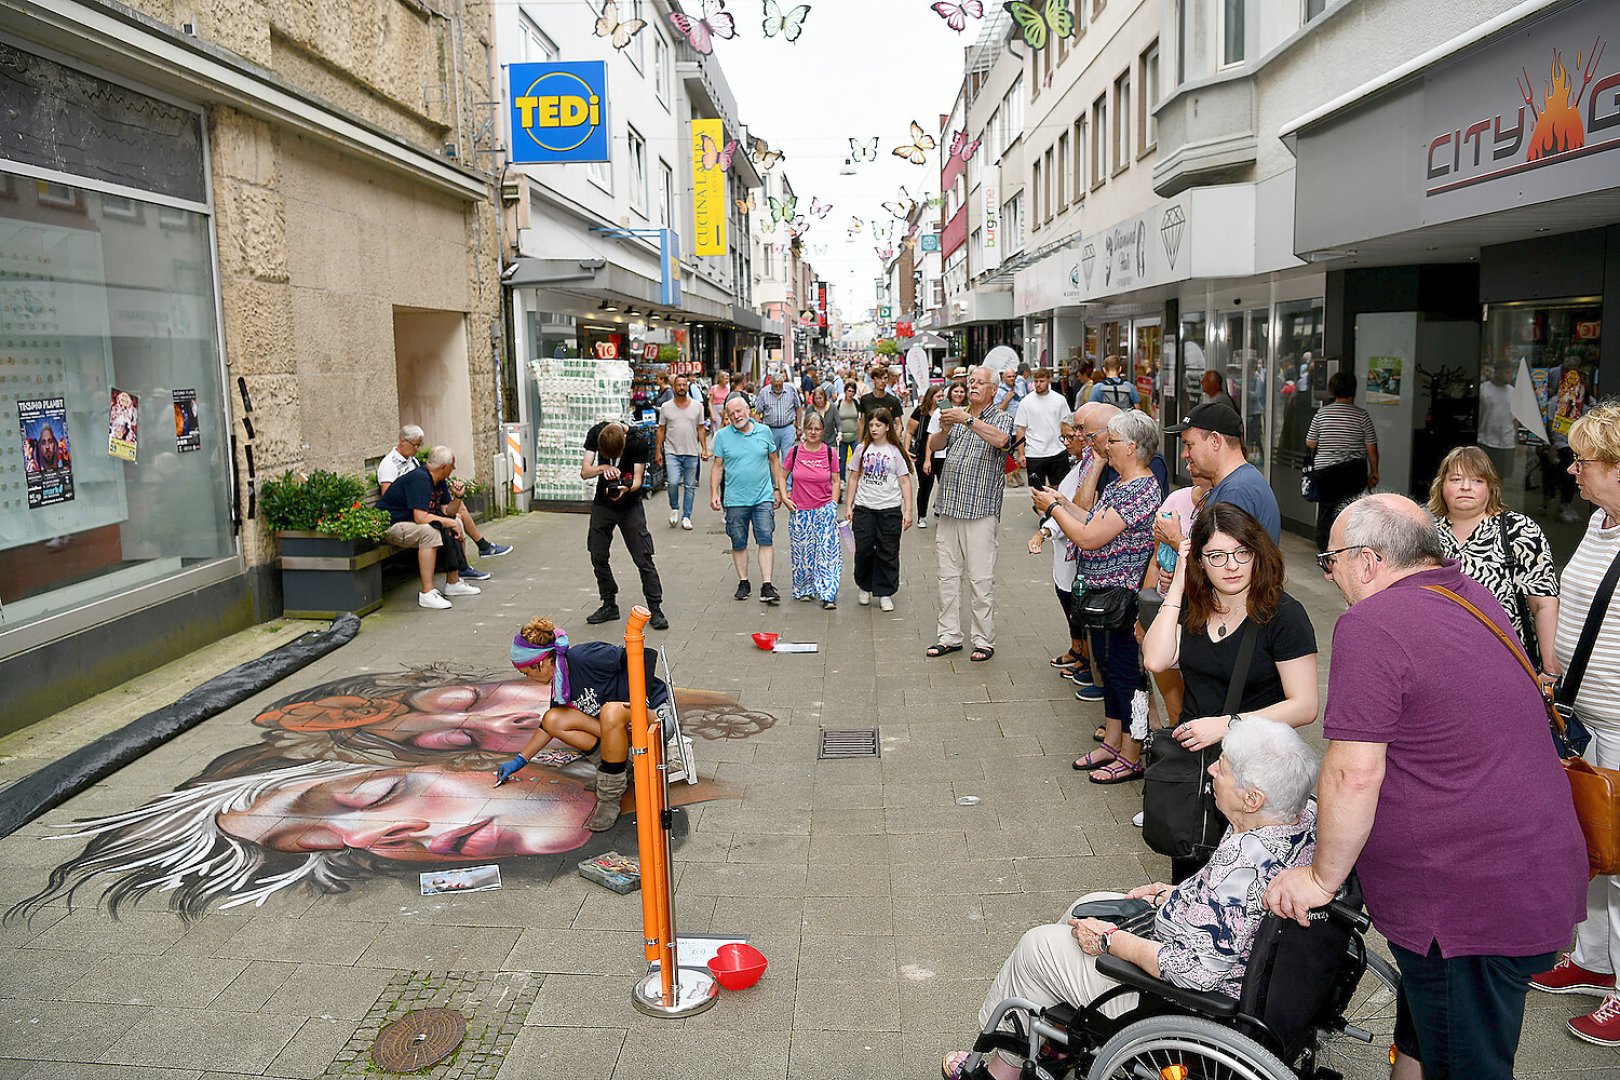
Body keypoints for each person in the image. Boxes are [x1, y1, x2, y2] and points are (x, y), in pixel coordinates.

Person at [1266, 493, 1588, 1080]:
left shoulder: (1373, 624)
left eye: (1331, 559)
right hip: (1525, 870)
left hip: (1467, 901)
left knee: (1465, 1065)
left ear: (1367, 561)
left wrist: (1319, 878)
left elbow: (1354, 771)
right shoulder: (1470, 595)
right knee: (1424, 1034)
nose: (1330, 572)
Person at [943, 719, 1320, 1080]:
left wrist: (1112, 941)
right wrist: (1174, 894)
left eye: (1225, 766)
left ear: (1253, 798)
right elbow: (1233, 911)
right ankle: (1052, 1039)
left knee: (1036, 948)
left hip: (1186, 1000)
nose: (1212, 770)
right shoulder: (1302, 819)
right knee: (1085, 905)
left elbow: (1197, 972)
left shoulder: (1240, 865)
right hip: (1255, 975)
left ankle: (1001, 1069)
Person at [1141, 503, 1320, 881]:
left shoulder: (1283, 615)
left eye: (1242, 553)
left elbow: (1305, 706)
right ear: (1200, 561)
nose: (1232, 566)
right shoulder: (1194, 608)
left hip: (1257, 775)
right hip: (1197, 771)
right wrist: (1178, 585)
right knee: (1191, 876)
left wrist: (1227, 725)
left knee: (1247, 883)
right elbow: (1156, 660)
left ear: (1257, 554)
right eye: (1217, 556)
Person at [1530, 401, 1620, 1045]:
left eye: (1584, 461)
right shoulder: (1600, 523)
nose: (1573, 470)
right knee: (1591, 845)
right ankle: (1592, 960)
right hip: (1588, 713)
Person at [1035, 410, 1162, 784]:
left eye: (1114, 440)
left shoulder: (1140, 489)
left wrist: (1054, 509)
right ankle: (1112, 740)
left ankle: (1133, 751)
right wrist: (1061, 501)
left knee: (1127, 676)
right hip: (1102, 595)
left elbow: (1089, 538)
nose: (1107, 445)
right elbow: (1092, 520)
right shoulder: (1120, 483)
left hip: (1121, 598)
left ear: (1133, 447)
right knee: (1108, 668)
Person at [493, 617, 674, 831]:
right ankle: (621, 772)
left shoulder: (584, 657)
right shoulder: (560, 685)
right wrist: (519, 761)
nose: (528, 679)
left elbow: (644, 656)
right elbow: (548, 727)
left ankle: (609, 797)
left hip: (654, 717)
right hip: (619, 729)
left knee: (611, 710)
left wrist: (637, 705)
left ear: (540, 663)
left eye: (527, 673)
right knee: (555, 717)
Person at [1429, 446, 1559, 672]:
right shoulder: (1424, 533)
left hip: (1507, 663)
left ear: (1491, 488)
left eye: (1478, 480)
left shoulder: (1518, 530)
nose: (1466, 487)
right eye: (1456, 479)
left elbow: (1543, 603)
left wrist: (1550, 668)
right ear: (1441, 486)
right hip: (1436, 664)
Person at [927, 366, 1016, 662]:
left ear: (993, 390)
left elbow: (1003, 441)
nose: (973, 386)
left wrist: (967, 419)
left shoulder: (1000, 416)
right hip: (949, 508)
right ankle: (949, 636)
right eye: (971, 381)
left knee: (980, 580)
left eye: (980, 382)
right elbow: (935, 445)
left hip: (980, 511)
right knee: (947, 577)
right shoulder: (958, 416)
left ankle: (983, 639)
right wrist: (945, 428)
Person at [378, 425, 511, 574]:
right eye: (415, 445)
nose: (417, 449)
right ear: (403, 441)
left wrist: (458, 497)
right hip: (402, 516)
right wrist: (448, 520)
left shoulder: (417, 465)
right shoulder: (392, 465)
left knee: (456, 515)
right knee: (436, 529)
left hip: (418, 506)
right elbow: (389, 495)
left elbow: (442, 509)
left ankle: (460, 571)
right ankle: (430, 589)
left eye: (419, 445)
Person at [581, 419, 666, 630]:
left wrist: (626, 488)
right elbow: (585, 472)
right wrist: (603, 468)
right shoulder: (596, 433)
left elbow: (638, 480)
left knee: (643, 557)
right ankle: (609, 603)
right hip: (603, 504)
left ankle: (655, 609)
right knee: (597, 554)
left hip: (630, 506)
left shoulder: (637, 440)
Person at [1028, 408, 1093, 682]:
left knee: (1078, 605)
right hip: (1065, 547)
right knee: (1067, 599)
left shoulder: (1092, 469)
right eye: (1063, 437)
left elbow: (1072, 507)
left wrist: (1044, 529)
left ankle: (1086, 657)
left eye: (1070, 437)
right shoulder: (1079, 467)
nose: (1066, 443)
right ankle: (1077, 649)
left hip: (1079, 548)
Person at [376, 445, 481, 610]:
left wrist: (458, 497)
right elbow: (421, 518)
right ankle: (427, 593)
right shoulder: (420, 479)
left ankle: (453, 582)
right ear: (443, 467)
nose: (453, 469)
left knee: (456, 521)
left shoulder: (439, 481)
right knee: (429, 532)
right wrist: (449, 522)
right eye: (452, 466)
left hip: (410, 523)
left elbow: (447, 510)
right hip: (391, 525)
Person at [710, 394, 788, 604]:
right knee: (738, 542)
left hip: (763, 497)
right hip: (735, 500)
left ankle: (767, 584)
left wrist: (777, 489)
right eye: (731, 413)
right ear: (727, 416)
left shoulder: (764, 431)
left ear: (748, 410)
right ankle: (743, 582)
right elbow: (717, 466)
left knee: (765, 538)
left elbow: (774, 460)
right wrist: (714, 493)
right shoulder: (723, 436)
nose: (736, 416)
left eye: (739, 411)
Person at [1166, 402, 1281, 543]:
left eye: (1189, 445)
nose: (1184, 454)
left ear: (1215, 441)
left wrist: (1176, 540)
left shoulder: (1236, 492)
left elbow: (1223, 561)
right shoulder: (1239, 483)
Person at [844, 408, 914, 612]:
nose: (874, 429)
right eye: (871, 425)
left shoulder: (895, 451)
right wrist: (849, 505)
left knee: (888, 551)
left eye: (878, 425)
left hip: (889, 509)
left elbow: (905, 481)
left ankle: (885, 592)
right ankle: (864, 586)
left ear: (887, 427)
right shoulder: (862, 449)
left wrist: (908, 510)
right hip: (865, 508)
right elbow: (854, 477)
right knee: (863, 549)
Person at [1306, 371, 1379, 554]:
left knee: (1326, 509)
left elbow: (1310, 442)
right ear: (1353, 390)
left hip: (1326, 470)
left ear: (1332, 390)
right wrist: (1374, 471)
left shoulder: (1321, 414)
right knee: (1351, 508)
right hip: (1353, 470)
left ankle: (1325, 549)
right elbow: (1371, 448)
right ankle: (1347, 549)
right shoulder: (1362, 415)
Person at [784, 413, 843, 609]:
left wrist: (833, 504)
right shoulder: (794, 452)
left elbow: (836, 480)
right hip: (800, 510)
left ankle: (827, 593)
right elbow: (782, 476)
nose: (813, 432)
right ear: (803, 429)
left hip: (824, 508)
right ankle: (804, 589)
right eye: (809, 428)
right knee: (802, 552)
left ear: (823, 431)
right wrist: (785, 498)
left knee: (826, 552)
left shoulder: (829, 453)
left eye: (817, 429)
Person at [655, 376, 709, 532]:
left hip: (691, 452)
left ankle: (687, 516)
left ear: (688, 387)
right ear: (673, 387)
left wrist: (704, 448)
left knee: (690, 486)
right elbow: (661, 430)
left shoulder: (697, 406)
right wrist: (658, 450)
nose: (681, 387)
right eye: (678, 385)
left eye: (684, 385)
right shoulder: (666, 407)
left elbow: (701, 428)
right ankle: (674, 508)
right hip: (672, 451)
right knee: (672, 483)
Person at [1016, 368, 1071, 492]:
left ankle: (1057, 510)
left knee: (1061, 488)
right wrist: (1020, 453)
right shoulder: (1026, 402)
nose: (1038, 384)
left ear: (1048, 381)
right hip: (1035, 452)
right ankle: (1042, 512)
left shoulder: (1059, 400)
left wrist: (1069, 445)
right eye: (1036, 381)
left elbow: (1067, 423)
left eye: (1042, 381)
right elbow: (1021, 428)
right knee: (1037, 490)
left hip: (1057, 450)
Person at [925, 381, 968, 517]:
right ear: (950, 393)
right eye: (956, 391)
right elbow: (931, 436)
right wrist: (927, 460)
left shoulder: (970, 410)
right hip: (942, 455)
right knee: (947, 485)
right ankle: (944, 510)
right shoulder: (941, 411)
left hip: (964, 455)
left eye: (962, 391)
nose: (959, 394)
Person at [1477, 360, 1519, 484]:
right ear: (1497, 372)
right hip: (1486, 440)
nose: (1509, 375)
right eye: (1506, 372)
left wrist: (1518, 440)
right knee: (1484, 476)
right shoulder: (1484, 389)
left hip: (1507, 441)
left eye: (1511, 372)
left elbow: (1516, 417)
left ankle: (1496, 502)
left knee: (1500, 478)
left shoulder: (1513, 391)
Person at [907, 386, 942, 529]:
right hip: (922, 453)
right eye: (938, 396)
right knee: (925, 486)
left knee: (944, 484)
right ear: (931, 397)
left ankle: (939, 509)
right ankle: (922, 516)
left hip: (941, 453)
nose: (940, 399)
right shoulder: (920, 412)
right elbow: (909, 431)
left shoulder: (945, 410)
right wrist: (906, 450)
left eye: (942, 396)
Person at [757, 370, 803, 460]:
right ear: (771, 384)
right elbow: (758, 411)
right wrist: (758, 430)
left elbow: (798, 408)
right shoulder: (764, 393)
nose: (778, 387)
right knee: (773, 457)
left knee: (788, 457)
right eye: (775, 385)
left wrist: (799, 426)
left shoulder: (791, 390)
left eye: (780, 385)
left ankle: (787, 475)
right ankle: (775, 474)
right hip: (771, 429)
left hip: (788, 427)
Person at [833, 380, 863, 478]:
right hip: (843, 436)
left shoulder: (855, 403)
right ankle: (842, 479)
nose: (851, 393)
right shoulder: (839, 403)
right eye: (849, 391)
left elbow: (860, 418)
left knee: (858, 458)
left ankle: (858, 478)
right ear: (845, 391)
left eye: (853, 391)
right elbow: (835, 419)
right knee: (842, 459)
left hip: (854, 435)